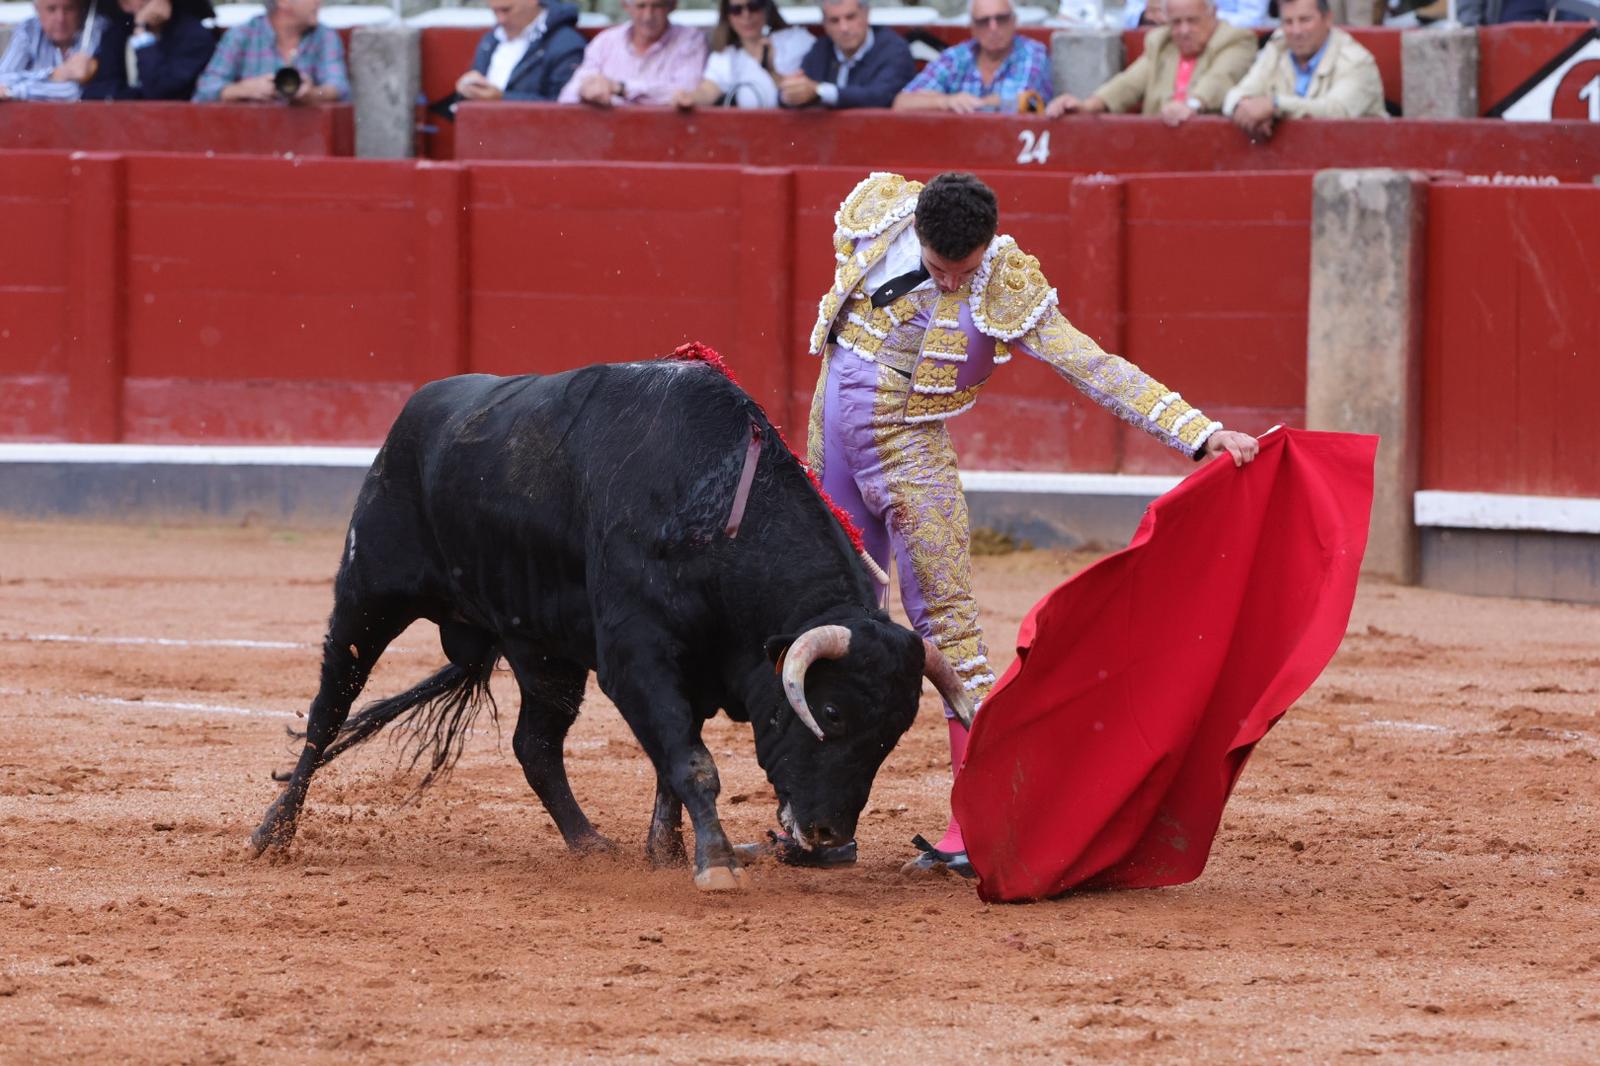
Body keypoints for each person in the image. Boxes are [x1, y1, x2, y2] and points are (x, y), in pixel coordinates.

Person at [754, 171, 1259, 877]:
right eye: (939, 270)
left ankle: (977, 826)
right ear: (916, 234)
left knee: (952, 638)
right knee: (831, 634)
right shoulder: (877, 218)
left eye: (966, 271)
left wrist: (1198, 432)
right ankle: (819, 825)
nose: (954, 285)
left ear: (989, 247)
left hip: (913, 464)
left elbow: (1092, 367)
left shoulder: (1004, 283)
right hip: (830, 457)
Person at [1046, 0, 1254, 125]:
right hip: (1159, 141)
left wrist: (1191, 105)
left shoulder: (1235, 40)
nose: (1183, 31)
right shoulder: (1163, 42)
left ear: (1213, 14)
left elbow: (1220, 78)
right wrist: (1087, 105)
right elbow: (1128, 83)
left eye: (1192, 21)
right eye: (1176, 22)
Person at [1223, 0, 1384, 139]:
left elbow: (1336, 111)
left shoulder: (1357, 61)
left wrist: (1275, 106)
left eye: (1305, 20)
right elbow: (1237, 93)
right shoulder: (1277, 47)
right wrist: (1244, 108)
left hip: (1352, 165)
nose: (1296, 31)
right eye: (1288, 22)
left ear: (1327, 19)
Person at [892, 0, 1051, 113]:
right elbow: (903, 102)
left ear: (1014, 21)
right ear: (972, 28)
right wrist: (947, 102)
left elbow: (1016, 103)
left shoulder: (1032, 52)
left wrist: (963, 103)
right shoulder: (956, 56)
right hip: (958, 147)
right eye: (983, 21)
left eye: (1001, 19)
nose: (993, 28)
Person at [557, 0, 706, 108]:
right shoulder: (606, 41)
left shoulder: (690, 40)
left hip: (665, 139)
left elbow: (686, 94)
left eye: (657, 6)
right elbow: (567, 96)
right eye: (641, 6)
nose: (648, 16)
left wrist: (621, 89)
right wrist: (586, 91)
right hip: (606, 138)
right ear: (625, 5)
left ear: (672, 5)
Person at [192, 0, 348, 103]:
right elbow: (204, 91)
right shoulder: (242, 35)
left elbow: (340, 89)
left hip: (309, 139)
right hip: (249, 136)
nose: (319, 2)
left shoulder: (324, 36)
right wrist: (242, 89)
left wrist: (312, 93)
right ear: (284, 2)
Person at [671, 0, 813, 109]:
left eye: (753, 6)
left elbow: (807, 92)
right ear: (727, 16)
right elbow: (708, 90)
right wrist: (688, 98)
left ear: (766, 8)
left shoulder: (795, 40)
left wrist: (771, 70)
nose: (746, 16)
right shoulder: (728, 55)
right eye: (736, 10)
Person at [778, 0, 914, 110]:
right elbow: (798, 91)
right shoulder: (821, 49)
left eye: (850, 17)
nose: (844, 28)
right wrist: (791, 93)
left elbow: (880, 97)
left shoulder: (894, 49)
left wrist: (819, 91)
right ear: (824, 24)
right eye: (834, 20)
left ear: (866, 15)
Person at [82, 0, 216, 101]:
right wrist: (136, 95)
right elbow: (98, 89)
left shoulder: (194, 36)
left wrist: (142, 33)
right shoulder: (120, 30)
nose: (124, 4)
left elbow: (158, 91)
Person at [455, 0, 585, 104]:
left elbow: (563, 108)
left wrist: (501, 98)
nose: (500, 20)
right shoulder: (491, 39)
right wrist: (468, 87)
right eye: (495, 11)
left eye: (506, 10)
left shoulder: (566, 44)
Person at [0, 0, 102, 102]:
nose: (60, 18)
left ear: (80, 9)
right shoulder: (28, 29)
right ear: (37, 9)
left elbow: (75, 91)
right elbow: (2, 79)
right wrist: (52, 74)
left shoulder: (94, 29)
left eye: (69, 9)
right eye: (51, 9)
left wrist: (14, 91)